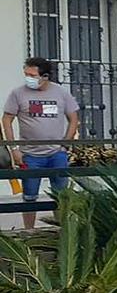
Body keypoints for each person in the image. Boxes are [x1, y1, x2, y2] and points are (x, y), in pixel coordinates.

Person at [4, 56, 79, 228]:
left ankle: (62, 231)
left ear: (45, 76)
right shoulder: (18, 94)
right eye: (26, 74)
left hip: (56, 154)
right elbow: (7, 119)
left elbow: (73, 118)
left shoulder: (61, 93)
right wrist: (14, 148)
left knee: (61, 195)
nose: (28, 78)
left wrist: (65, 144)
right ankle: (29, 232)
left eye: (32, 75)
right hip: (30, 155)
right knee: (29, 196)